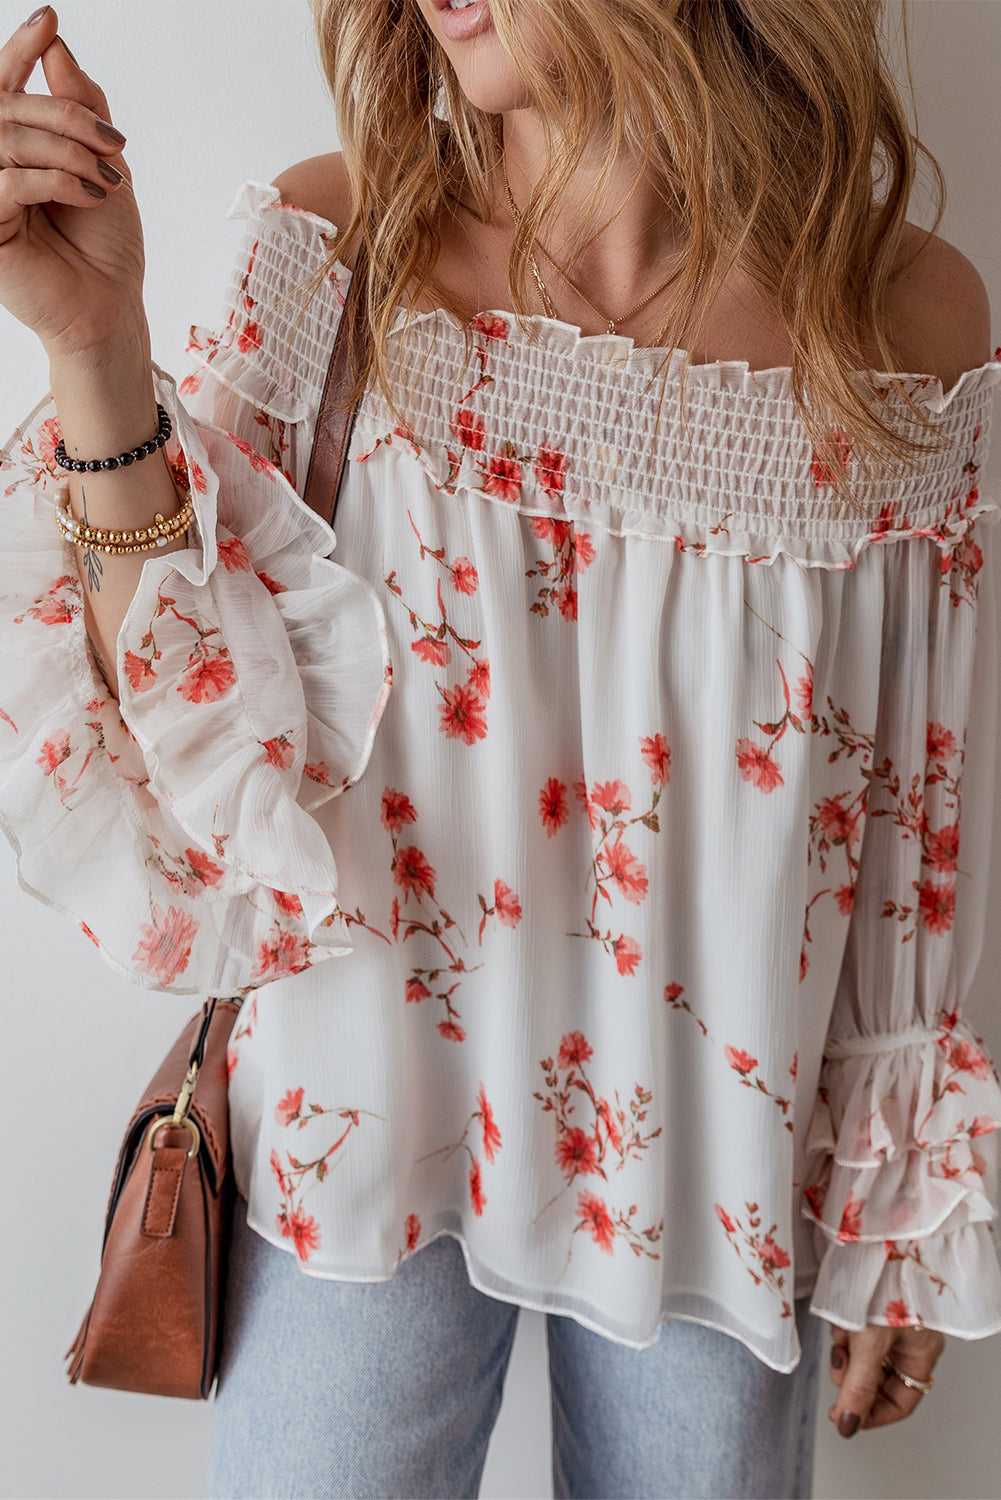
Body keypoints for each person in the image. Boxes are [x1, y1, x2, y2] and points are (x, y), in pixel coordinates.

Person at [0, 1, 999, 1495]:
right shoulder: (332, 250)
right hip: (357, 1123)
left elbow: (913, 797)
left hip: (721, 1162)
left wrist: (900, 1208)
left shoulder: (902, 319)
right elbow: (185, 747)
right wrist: (96, 346)